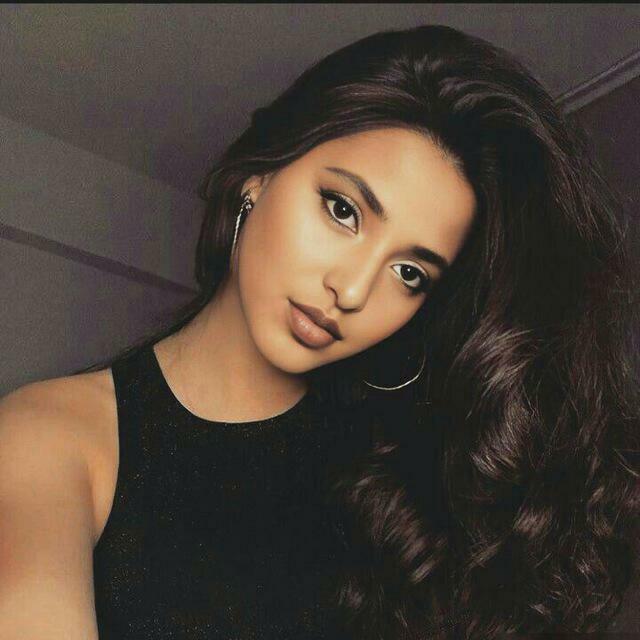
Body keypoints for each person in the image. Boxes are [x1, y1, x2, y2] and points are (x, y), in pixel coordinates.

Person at [0, 23, 637, 640]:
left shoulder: (411, 483)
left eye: (409, 273)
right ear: (261, 173)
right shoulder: (56, 435)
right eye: (342, 210)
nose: (353, 291)